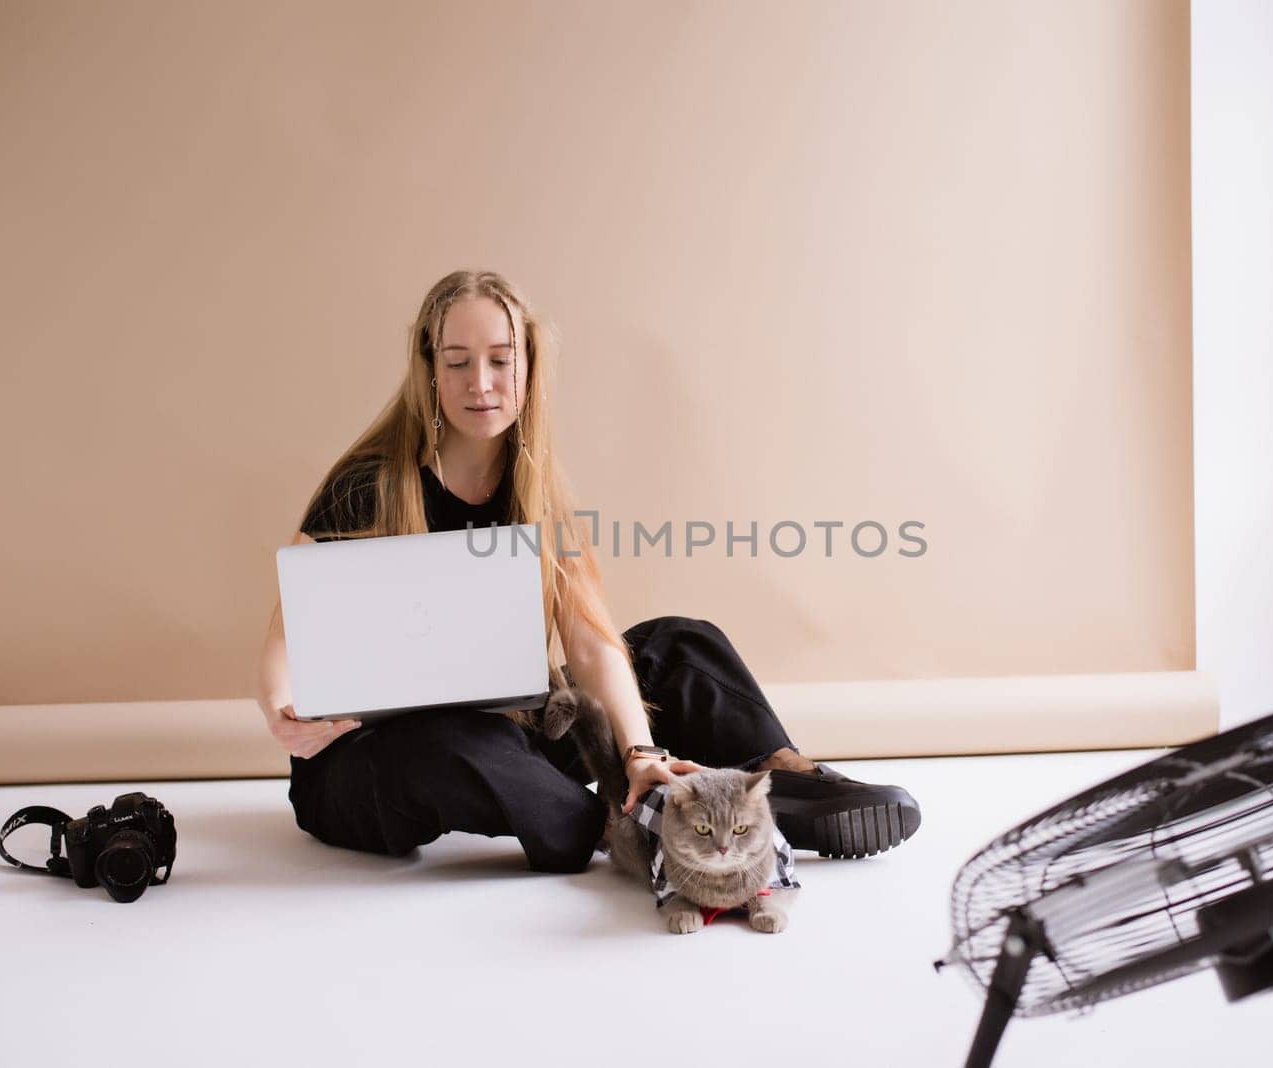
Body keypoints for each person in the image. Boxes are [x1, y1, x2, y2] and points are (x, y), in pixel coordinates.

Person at [254, 269, 921, 872]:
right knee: (456, 740)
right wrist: (279, 706)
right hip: (372, 764)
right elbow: (289, 630)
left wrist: (638, 751)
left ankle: (786, 781)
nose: (479, 384)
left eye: (499, 361)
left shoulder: (536, 488)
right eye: (457, 363)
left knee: (676, 644)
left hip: (510, 729)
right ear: (430, 370)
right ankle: (630, 823)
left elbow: (591, 640)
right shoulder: (370, 482)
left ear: (529, 367)